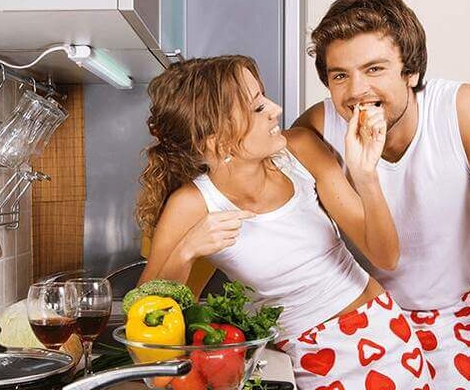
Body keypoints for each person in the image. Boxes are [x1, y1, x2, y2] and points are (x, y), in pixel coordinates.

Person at [136, 55, 431, 389]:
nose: (275, 108)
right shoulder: (191, 205)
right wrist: (186, 251)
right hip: (303, 359)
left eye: (264, 97)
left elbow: (386, 256)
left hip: (386, 335)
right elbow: (151, 324)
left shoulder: (300, 150)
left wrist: (365, 177)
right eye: (257, 107)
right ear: (215, 140)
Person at [293, 0, 470, 388]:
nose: (357, 90)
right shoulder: (315, 130)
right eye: (340, 75)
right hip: (354, 326)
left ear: (410, 70)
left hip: (450, 323)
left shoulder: (462, 112)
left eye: (374, 68)